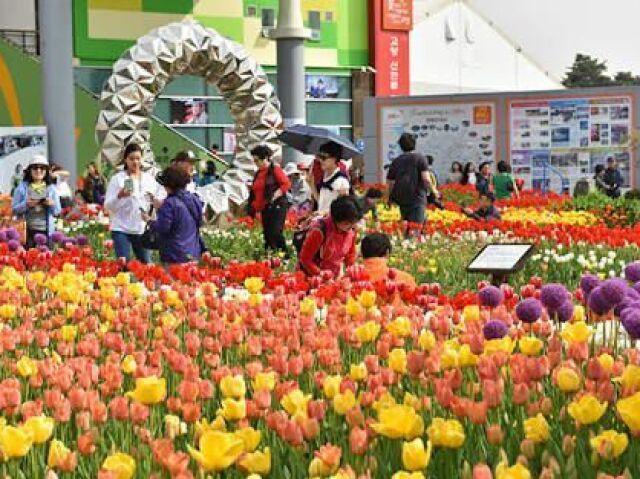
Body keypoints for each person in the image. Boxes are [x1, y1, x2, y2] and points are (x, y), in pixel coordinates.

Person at [104, 143, 165, 264]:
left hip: (141, 229)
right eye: (131, 159)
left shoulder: (149, 179)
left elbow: (160, 197)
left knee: (146, 264)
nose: (135, 162)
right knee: (123, 263)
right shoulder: (118, 179)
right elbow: (108, 205)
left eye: (138, 158)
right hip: (121, 228)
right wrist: (120, 196)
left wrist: (154, 200)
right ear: (125, 160)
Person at [145, 165, 204, 265]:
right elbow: (199, 223)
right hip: (193, 254)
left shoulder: (170, 203)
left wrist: (149, 220)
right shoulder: (195, 199)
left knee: (173, 280)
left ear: (168, 185)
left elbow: (163, 228)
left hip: (174, 256)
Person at [298, 195, 361, 277]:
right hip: (312, 276)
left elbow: (350, 254)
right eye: (347, 223)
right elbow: (305, 259)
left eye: (354, 222)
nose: (352, 226)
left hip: (333, 275)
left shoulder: (351, 230)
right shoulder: (319, 231)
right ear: (336, 219)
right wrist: (320, 274)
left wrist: (353, 270)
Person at [248, 145, 291, 254]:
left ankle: (285, 254)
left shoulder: (274, 170)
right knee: (267, 235)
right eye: (254, 160)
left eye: (257, 160)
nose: (255, 163)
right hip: (265, 208)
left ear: (265, 158)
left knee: (275, 232)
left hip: (277, 205)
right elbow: (257, 193)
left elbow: (286, 184)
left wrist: (277, 193)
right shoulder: (258, 174)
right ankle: (272, 257)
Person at [12, 155, 61, 249]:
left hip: (47, 232)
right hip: (27, 232)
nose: (38, 170)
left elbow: (57, 211)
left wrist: (51, 204)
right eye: (35, 168)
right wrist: (26, 204)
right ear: (30, 171)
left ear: (46, 171)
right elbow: (14, 209)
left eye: (42, 168)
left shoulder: (51, 189)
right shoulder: (22, 188)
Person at [387, 133, 434, 229]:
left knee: (407, 227)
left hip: (402, 199)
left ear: (401, 146)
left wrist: (389, 197)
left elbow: (390, 183)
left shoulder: (396, 161)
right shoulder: (420, 158)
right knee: (416, 228)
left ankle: (407, 242)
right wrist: (434, 192)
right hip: (417, 197)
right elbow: (426, 179)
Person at [308, 142, 351, 214]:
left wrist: (324, 212)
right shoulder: (325, 177)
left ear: (334, 159)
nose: (320, 160)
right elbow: (321, 202)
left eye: (324, 158)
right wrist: (311, 184)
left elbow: (343, 208)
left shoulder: (341, 181)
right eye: (319, 157)